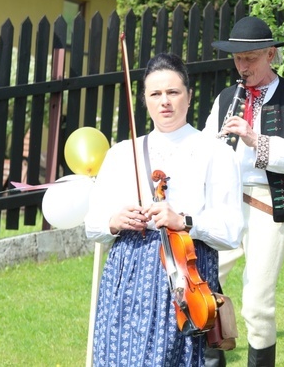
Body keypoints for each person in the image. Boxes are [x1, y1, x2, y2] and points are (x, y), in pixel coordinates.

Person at [84, 53, 244, 366]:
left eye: (173, 92)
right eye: (155, 94)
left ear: (189, 95)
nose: (164, 102)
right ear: (144, 99)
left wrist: (184, 221)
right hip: (126, 274)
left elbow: (231, 231)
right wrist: (114, 221)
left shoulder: (215, 153)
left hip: (184, 276)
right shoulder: (121, 153)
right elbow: (93, 224)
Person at [202, 16, 284, 366]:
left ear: (271, 54)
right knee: (206, 288)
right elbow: (208, 148)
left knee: (257, 303)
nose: (243, 66)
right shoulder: (227, 97)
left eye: (251, 58)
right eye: (238, 59)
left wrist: (256, 140)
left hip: (269, 204)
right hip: (225, 203)